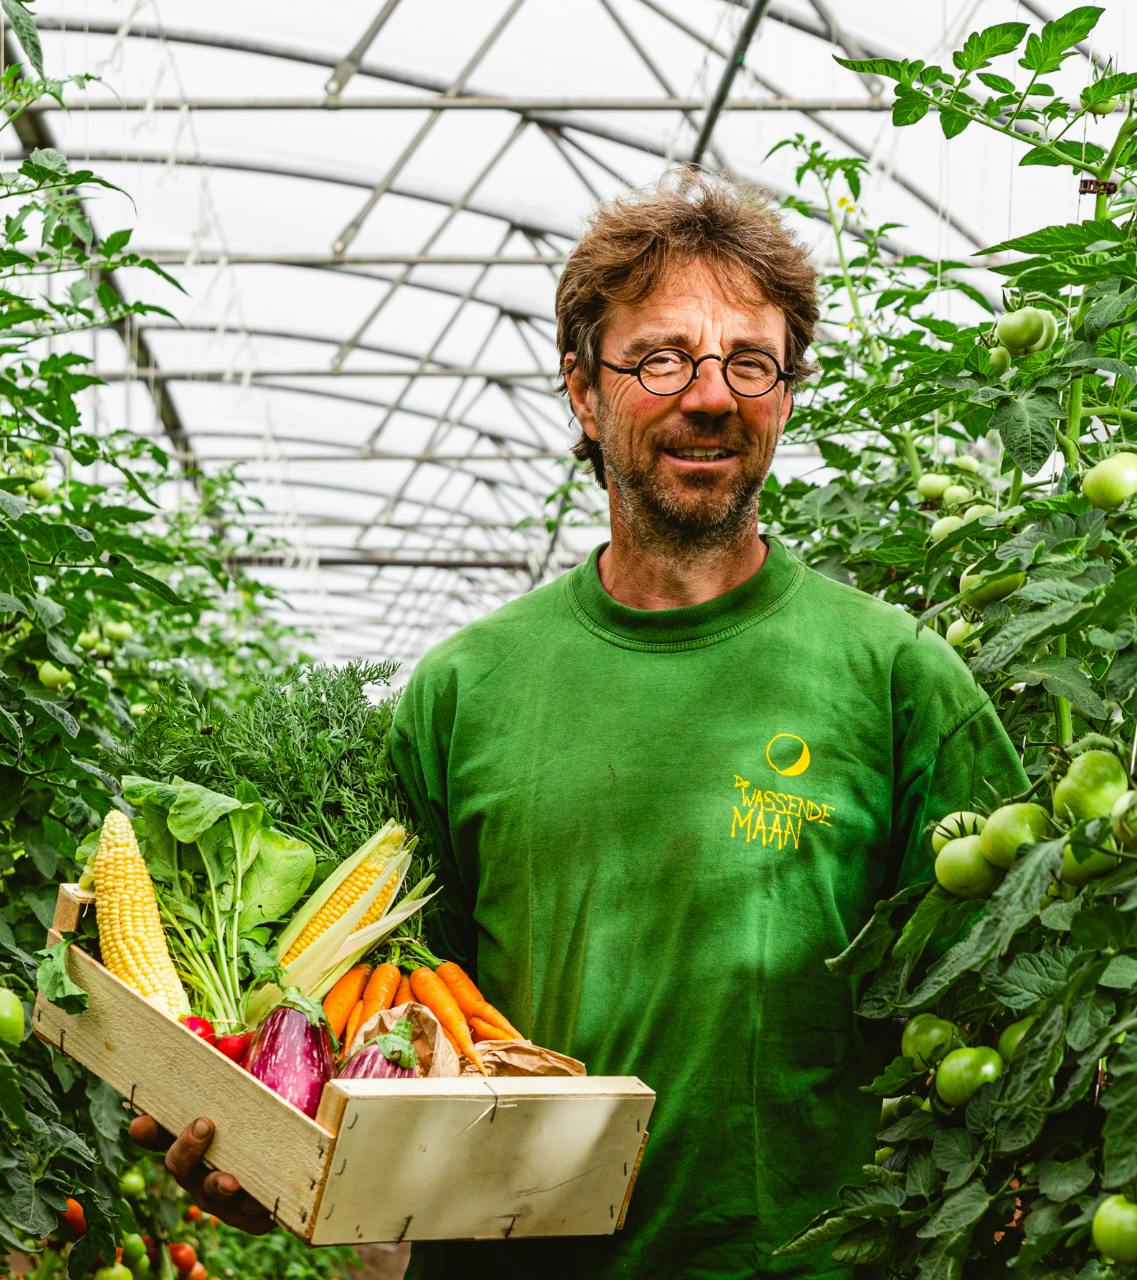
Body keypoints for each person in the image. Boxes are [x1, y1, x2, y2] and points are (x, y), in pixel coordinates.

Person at [131, 169, 1027, 1278]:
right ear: (583, 391)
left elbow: (1003, 1015)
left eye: (751, 360)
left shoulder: (898, 678)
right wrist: (276, 1153)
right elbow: (390, 1028)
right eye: (661, 357)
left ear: (786, 392)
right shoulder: (466, 689)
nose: (711, 395)